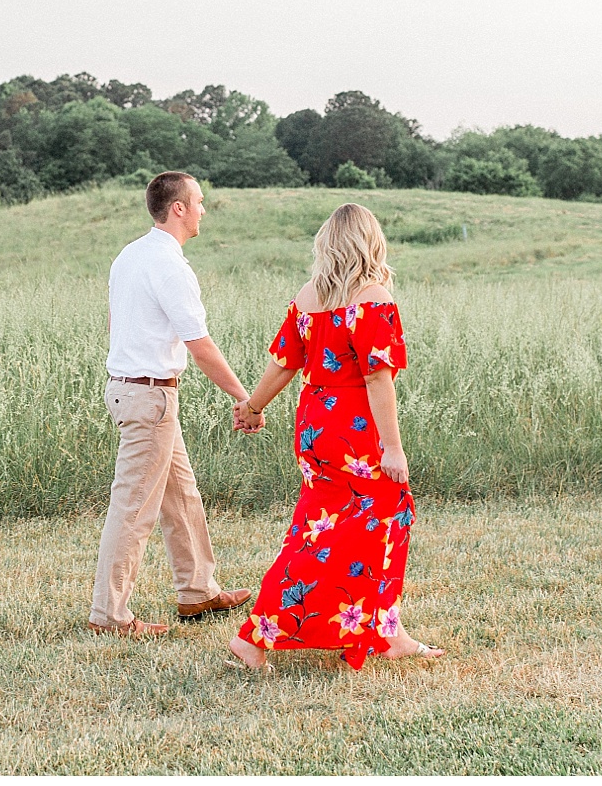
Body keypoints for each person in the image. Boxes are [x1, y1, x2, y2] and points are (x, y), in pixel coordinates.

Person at [225, 202, 445, 670]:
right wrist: (393, 447)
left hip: (314, 428)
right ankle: (254, 635)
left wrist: (252, 408)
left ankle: (389, 632)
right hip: (356, 429)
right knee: (369, 523)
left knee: (322, 525)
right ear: (371, 243)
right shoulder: (373, 296)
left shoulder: (309, 295)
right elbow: (376, 378)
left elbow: (284, 362)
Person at [88, 171, 256, 637]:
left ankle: (198, 591)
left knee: (181, 495)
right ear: (178, 208)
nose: (204, 208)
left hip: (135, 391)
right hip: (150, 397)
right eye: (199, 201)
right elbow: (199, 345)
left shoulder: (129, 255)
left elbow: (114, 323)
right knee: (134, 507)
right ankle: (110, 615)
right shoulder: (169, 265)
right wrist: (246, 398)